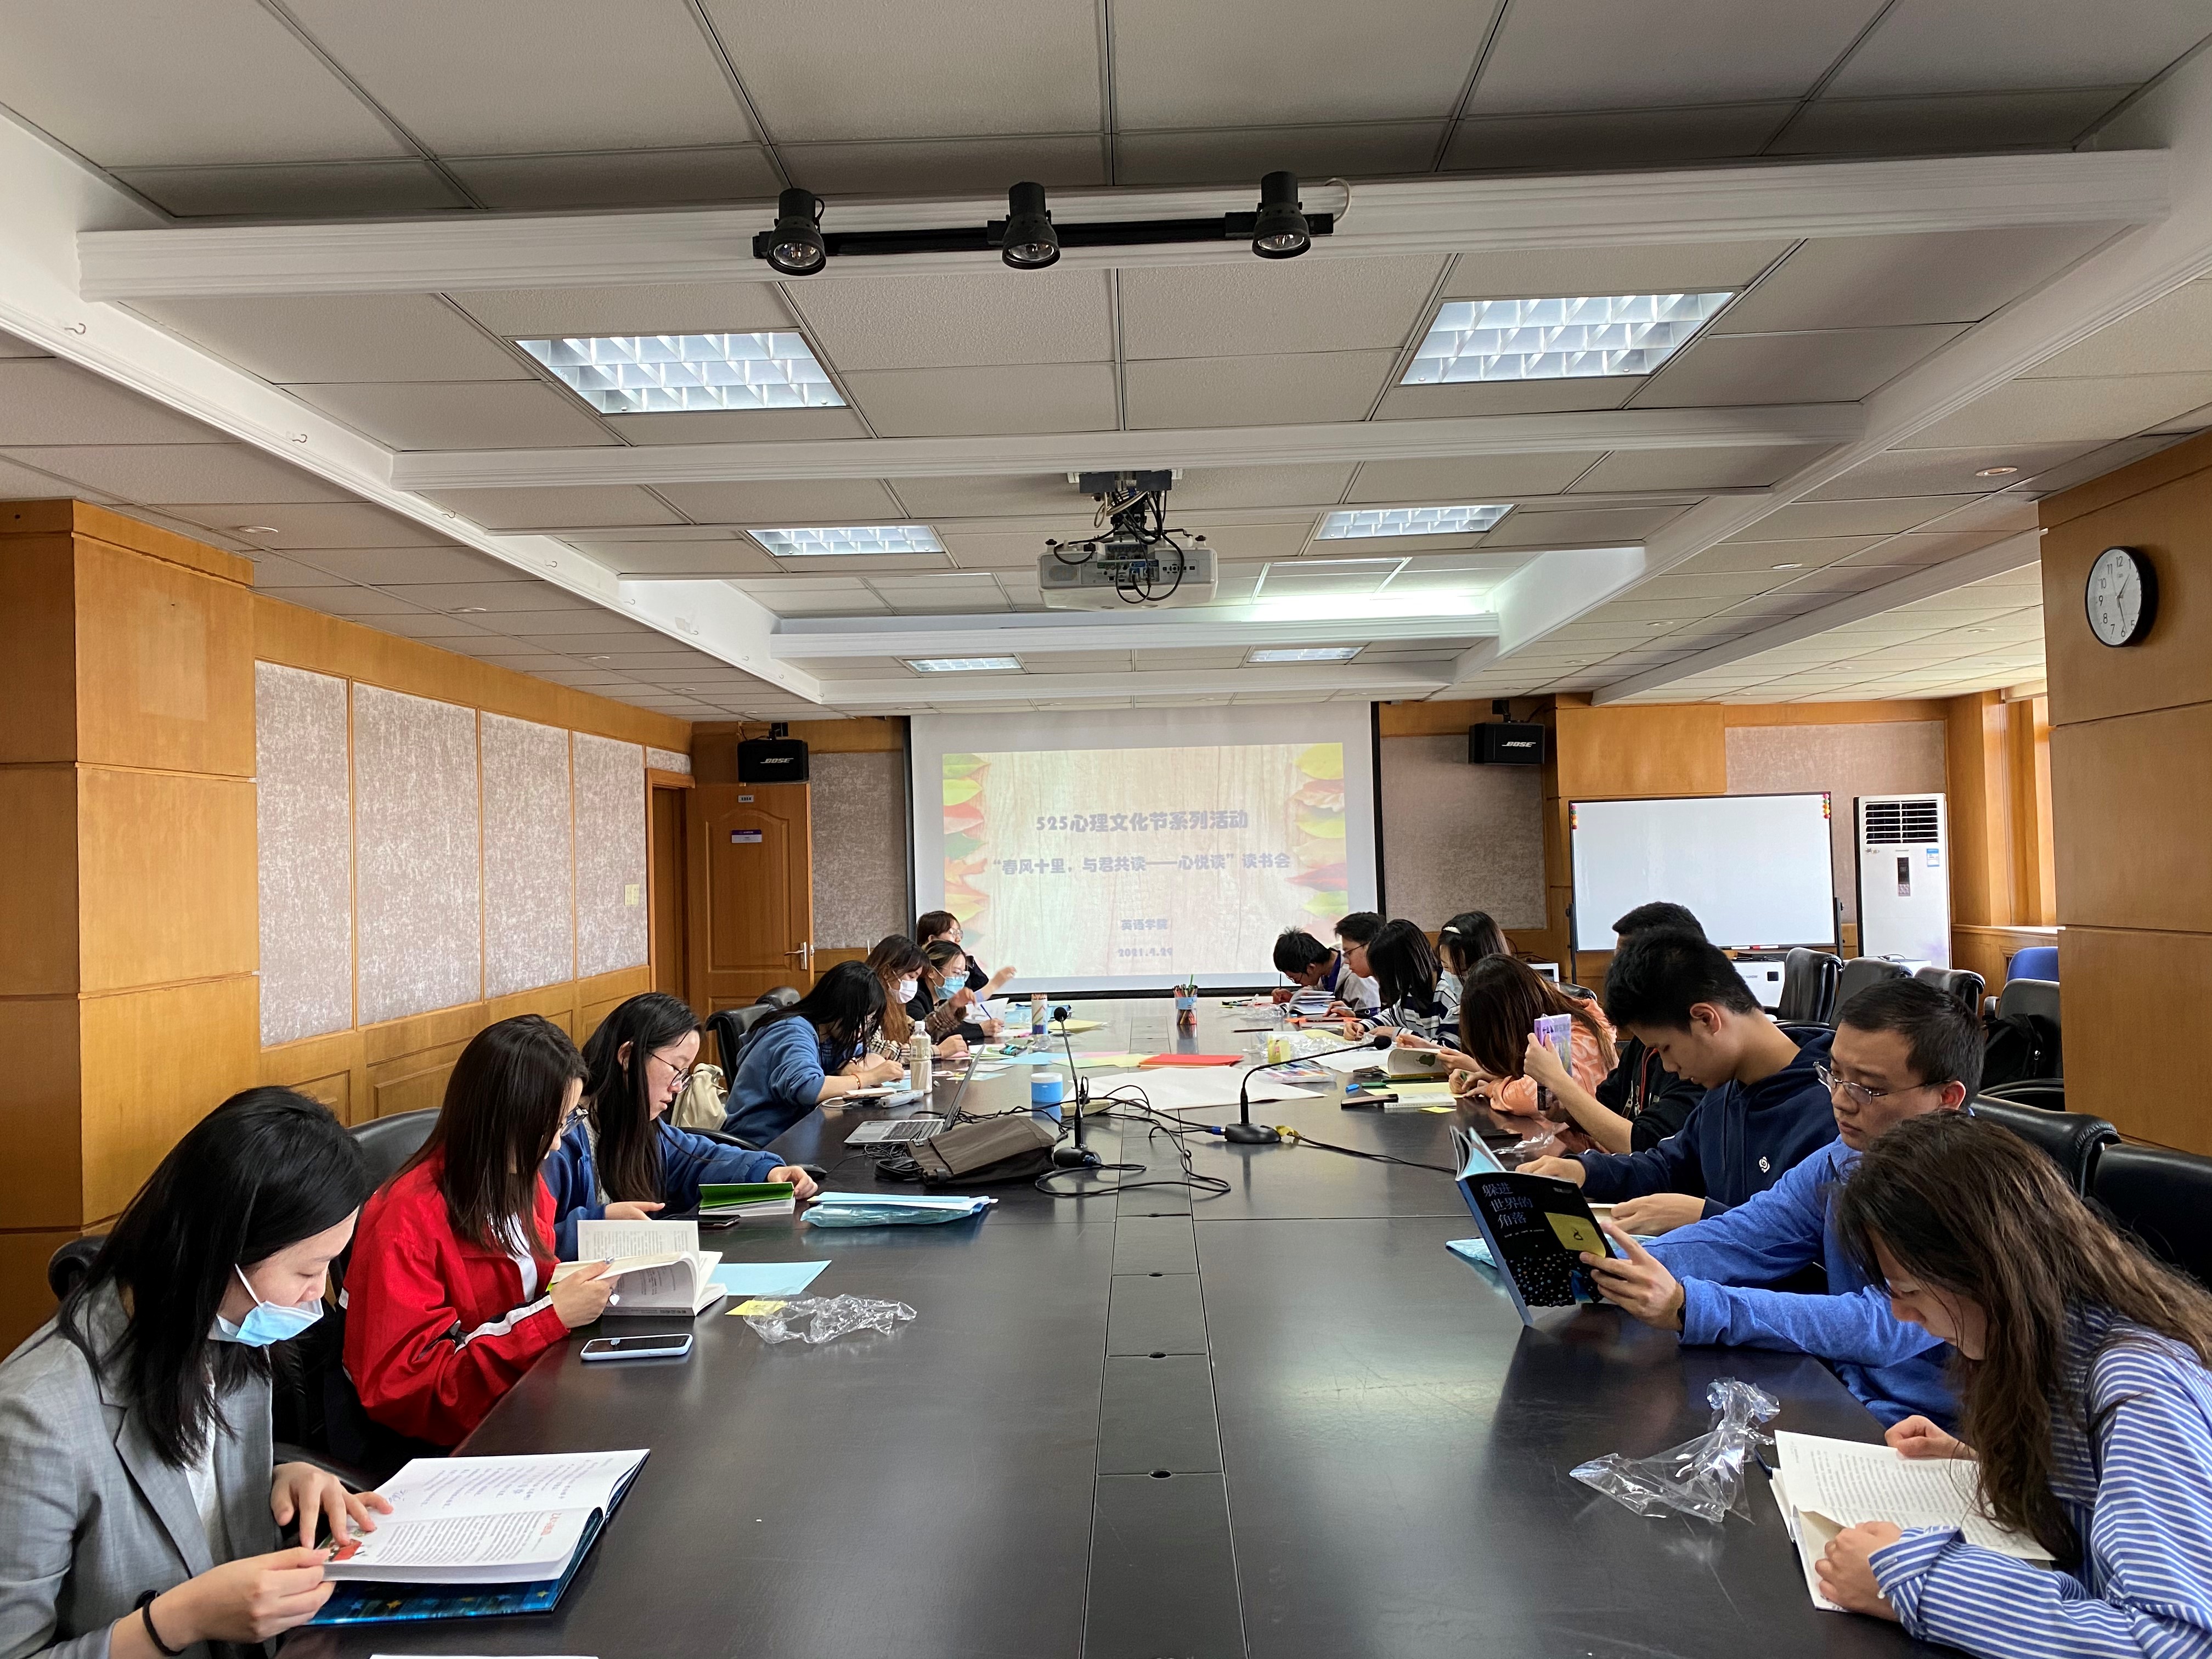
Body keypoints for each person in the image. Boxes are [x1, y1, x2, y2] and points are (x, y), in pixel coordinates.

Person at [0, 1089, 389, 1659]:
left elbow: (186, 1493)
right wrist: (178, 1621)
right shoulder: (36, 1422)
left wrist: (278, 1478)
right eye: (308, 1270)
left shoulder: (229, 1335)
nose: (318, 1295)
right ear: (219, 1253)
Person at [1813, 1112, 2212, 1655]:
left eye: (1909, 1291)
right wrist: (1986, 1461)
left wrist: (1914, 1582)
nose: (1902, 1314)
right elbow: (2098, 1505)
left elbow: (2179, 1642)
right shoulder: (2049, 1343)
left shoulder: (2140, 1388)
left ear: (1987, 1270)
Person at [1576, 978, 1976, 1428]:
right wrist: (1599, 1261)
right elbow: (1745, 1237)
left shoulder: (1975, 1193)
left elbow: (1881, 1325)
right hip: (1846, 1393)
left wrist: (1691, 1306)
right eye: (1835, 1075)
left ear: (1946, 1099)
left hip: (1928, 1429)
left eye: (1868, 1088)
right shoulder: (1845, 1158)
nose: (1840, 1101)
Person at [343, 1016, 618, 1449]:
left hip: (524, 1394)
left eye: (565, 1123)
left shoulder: (520, 1179)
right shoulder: (406, 1220)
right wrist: (551, 1319)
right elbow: (408, 1390)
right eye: (549, 1126)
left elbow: (529, 1288)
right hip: (453, 1440)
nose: (555, 1145)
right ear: (501, 1120)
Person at [1522, 928, 1835, 1234]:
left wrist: (1704, 1216)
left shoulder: (1830, 1113)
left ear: (1706, 1019)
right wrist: (1584, 1171)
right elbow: (1669, 1167)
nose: (1669, 1067)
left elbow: (1814, 1250)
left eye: (1666, 1049)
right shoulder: (1725, 1091)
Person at [542, 992, 819, 1257]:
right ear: (627, 1056)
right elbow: (530, 1250)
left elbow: (697, 1158)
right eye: (676, 1069)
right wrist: (597, 1224)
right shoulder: (557, 1142)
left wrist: (768, 1171)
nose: (677, 1087)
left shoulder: (640, 1128)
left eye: (684, 1074)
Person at [1404, 956, 1616, 1146]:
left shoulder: (1571, 1035)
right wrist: (1491, 1076)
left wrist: (1493, 1087)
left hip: (1599, 1157)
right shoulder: (1553, 1022)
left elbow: (1534, 1096)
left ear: (1507, 1026)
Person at [723, 961, 902, 1146]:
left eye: (869, 1021)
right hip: (762, 1143)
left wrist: (848, 1066)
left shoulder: (832, 1034)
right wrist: (867, 1078)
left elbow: (873, 1059)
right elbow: (808, 1089)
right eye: (861, 1019)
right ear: (839, 1008)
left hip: (799, 1134)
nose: (862, 1029)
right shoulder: (792, 1031)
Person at [1590, 903, 1709, 1150]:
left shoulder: (1699, 1058)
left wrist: (1559, 1082)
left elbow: (1647, 1144)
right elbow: (1606, 1104)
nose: (1617, 973)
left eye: (1625, 962)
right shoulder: (1644, 1042)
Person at [863, 935, 969, 1065]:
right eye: (911, 976)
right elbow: (877, 1049)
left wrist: (951, 1007)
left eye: (916, 978)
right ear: (887, 972)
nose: (914, 984)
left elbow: (919, 1030)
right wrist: (937, 1051)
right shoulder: (868, 1000)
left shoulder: (893, 1002)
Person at [1362, 918, 1452, 1041]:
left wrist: (1398, 1033)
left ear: (1403, 967)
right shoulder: (1412, 992)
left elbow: (1449, 1048)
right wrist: (1363, 1026)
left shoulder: (1448, 992)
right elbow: (1392, 1016)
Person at [915, 939, 1004, 1044]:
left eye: (963, 974)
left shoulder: (942, 998)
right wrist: (980, 1029)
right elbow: (928, 1031)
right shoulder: (915, 997)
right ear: (931, 972)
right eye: (956, 973)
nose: (960, 980)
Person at [915, 910, 1016, 1000]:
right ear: (932, 939)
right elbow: (965, 1004)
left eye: (959, 933)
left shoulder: (964, 962)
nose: (958, 939)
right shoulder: (918, 980)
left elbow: (979, 986)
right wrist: (994, 985)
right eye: (952, 933)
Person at [1269, 927, 1363, 1013]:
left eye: (1296, 979)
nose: (1298, 983)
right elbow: (1314, 990)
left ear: (1311, 968)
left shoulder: (1356, 974)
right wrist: (1292, 997)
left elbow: (1367, 1017)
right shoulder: (1323, 972)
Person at [1435, 910, 1509, 1015]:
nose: (1453, 976)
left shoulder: (1512, 1003)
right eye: (1445, 966)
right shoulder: (1450, 1003)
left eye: (1463, 970)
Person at [1331, 911, 1385, 1012]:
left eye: (1349, 953)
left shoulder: (1403, 986)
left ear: (1370, 946)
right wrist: (1356, 1018)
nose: (1346, 962)